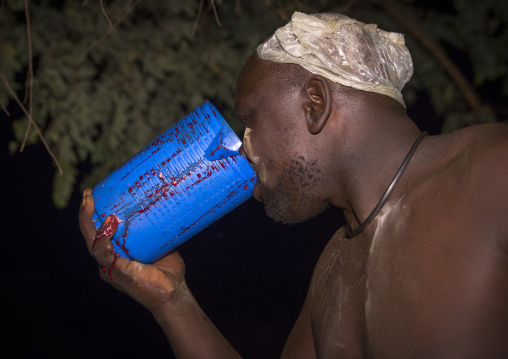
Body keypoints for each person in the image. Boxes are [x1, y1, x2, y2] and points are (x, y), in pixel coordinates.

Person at [79, 12, 508, 358]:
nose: (244, 151)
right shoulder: (335, 264)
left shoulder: (491, 171)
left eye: (249, 121)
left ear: (314, 105)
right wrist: (171, 302)